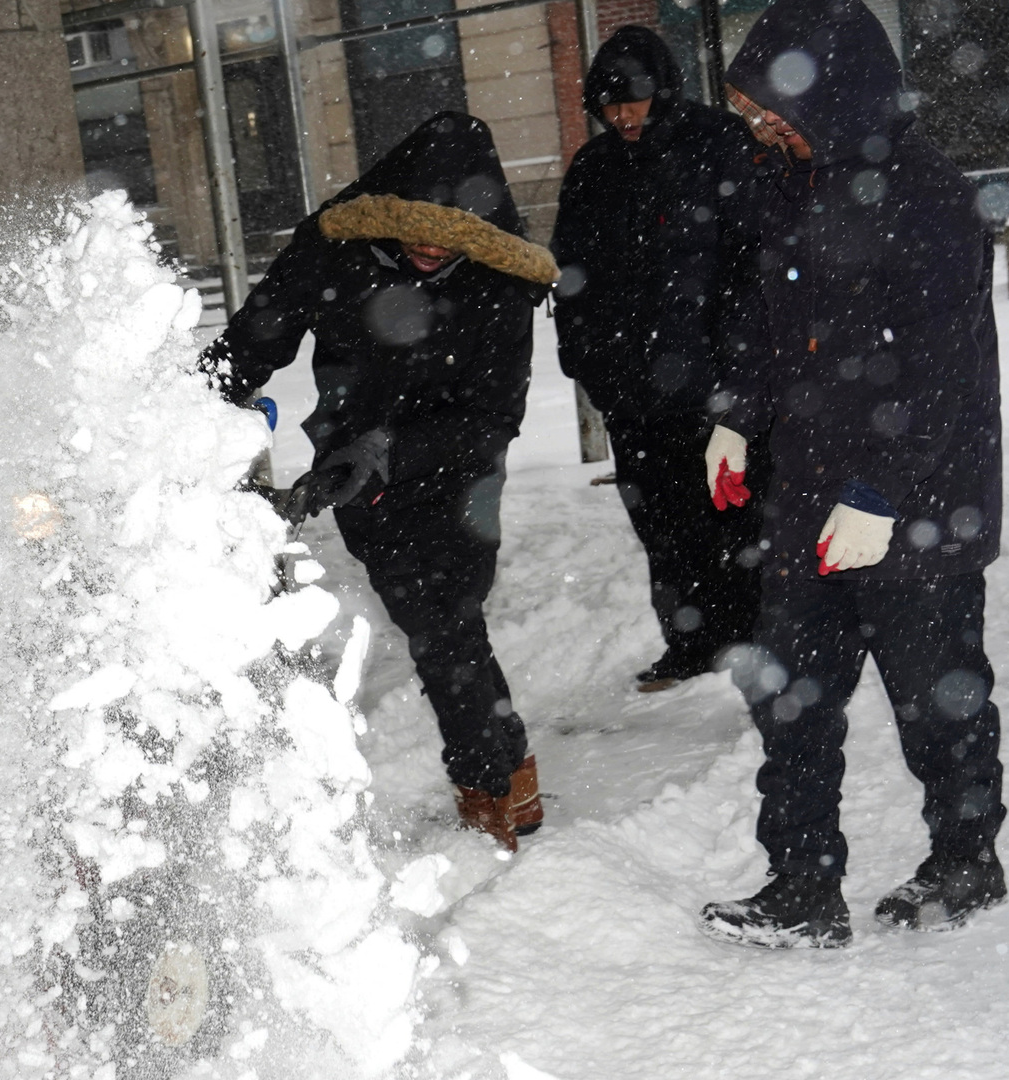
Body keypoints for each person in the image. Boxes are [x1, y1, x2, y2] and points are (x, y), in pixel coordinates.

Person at [697, 0, 1007, 948]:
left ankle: (966, 862)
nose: (761, 127)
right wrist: (735, 424)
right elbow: (766, 323)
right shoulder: (791, 185)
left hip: (915, 505)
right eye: (751, 111)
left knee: (937, 701)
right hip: (807, 496)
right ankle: (802, 885)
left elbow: (938, 368)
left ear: (833, 89)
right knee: (794, 699)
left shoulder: (929, 198)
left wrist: (881, 490)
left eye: (770, 107)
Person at [201, 112, 558, 850]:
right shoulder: (335, 249)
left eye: (450, 231)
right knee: (427, 619)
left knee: (447, 618)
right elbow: (253, 339)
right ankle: (503, 766)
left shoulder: (499, 282)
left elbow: (494, 415)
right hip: (352, 471)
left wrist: (389, 447)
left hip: (460, 467)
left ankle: (493, 782)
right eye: (415, 226)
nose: (429, 245)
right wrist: (184, 409)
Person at [550, 26, 770, 693]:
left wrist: (736, 368)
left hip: (714, 386)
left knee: (735, 514)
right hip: (631, 390)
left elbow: (751, 264)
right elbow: (572, 277)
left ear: (662, 90)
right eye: (610, 105)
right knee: (661, 523)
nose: (624, 116)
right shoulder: (593, 169)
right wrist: (589, 364)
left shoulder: (719, 145)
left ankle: (755, 643)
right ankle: (689, 641)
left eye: (635, 101)